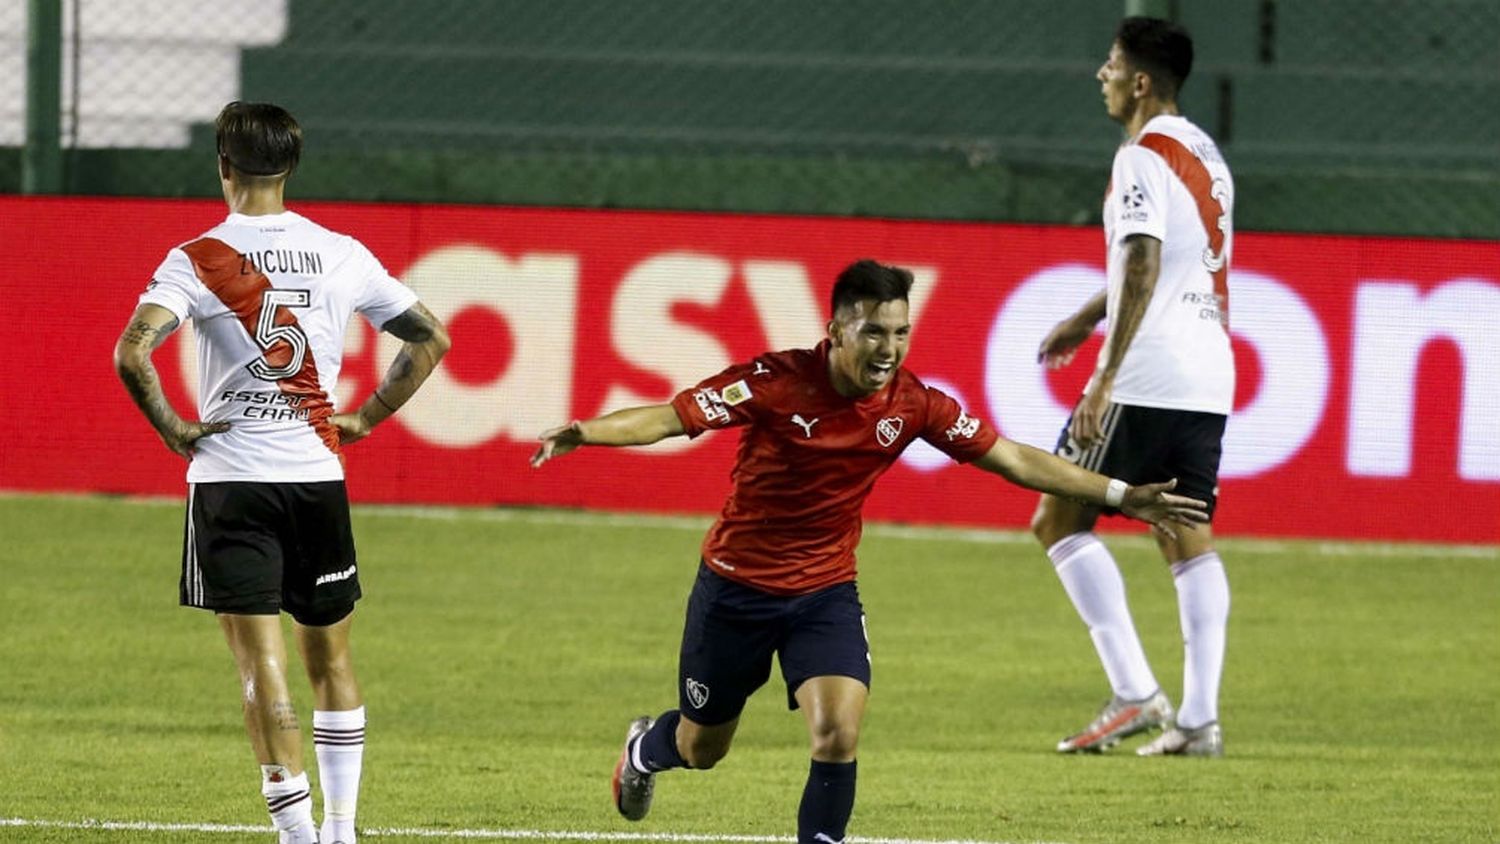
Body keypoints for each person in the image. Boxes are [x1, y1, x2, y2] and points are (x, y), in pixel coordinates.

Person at [531, 259, 1208, 842]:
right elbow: (669, 417)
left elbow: (1013, 458)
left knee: (838, 734)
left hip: (824, 591)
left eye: (901, 331)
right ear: (835, 331)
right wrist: (585, 432)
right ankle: (644, 752)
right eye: (874, 331)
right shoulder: (773, 381)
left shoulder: (914, 405)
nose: (889, 347)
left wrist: (1120, 493)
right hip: (735, 589)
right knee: (702, 748)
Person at [113, 101, 451, 843]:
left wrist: (173, 429)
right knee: (330, 656)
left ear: (223, 165)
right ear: (291, 167)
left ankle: (298, 840)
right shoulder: (340, 251)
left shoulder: (196, 256)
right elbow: (430, 336)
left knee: (259, 665)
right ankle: (342, 831)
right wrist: (366, 416)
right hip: (314, 477)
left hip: (231, 478)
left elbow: (131, 352)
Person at [1030, 17, 1235, 758]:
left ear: (1141, 81)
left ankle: (1135, 693)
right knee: (1183, 534)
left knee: (1056, 522)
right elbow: (1169, 261)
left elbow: (1144, 261)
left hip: (1147, 373)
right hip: (1208, 369)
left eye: (1111, 64)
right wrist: (1087, 317)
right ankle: (1200, 720)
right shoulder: (1204, 153)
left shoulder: (1142, 156)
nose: (1101, 75)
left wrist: (1104, 374)